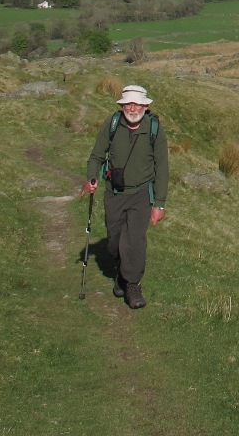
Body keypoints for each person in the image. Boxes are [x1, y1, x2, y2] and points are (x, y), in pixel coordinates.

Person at [81, 84, 168, 309]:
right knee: (115, 242)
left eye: (137, 104)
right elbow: (96, 155)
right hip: (114, 194)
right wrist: (92, 177)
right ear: (122, 106)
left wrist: (159, 204)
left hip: (141, 195)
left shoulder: (154, 128)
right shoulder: (111, 124)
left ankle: (133, 285)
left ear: (145, 107)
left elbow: (163, 167)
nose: (132, 108)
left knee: (135, 242)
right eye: (128, 103)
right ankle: (121, 272)